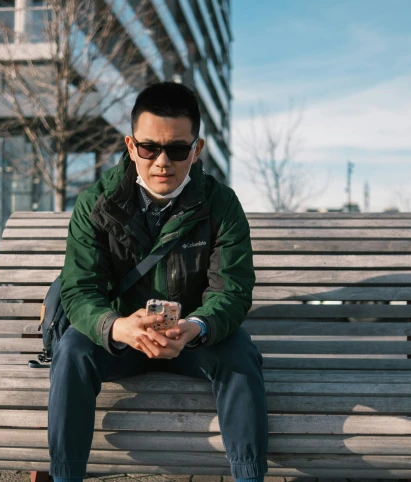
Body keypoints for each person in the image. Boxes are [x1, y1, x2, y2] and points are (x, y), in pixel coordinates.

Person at [49, 82, 268, 482]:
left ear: (196, 150)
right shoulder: (96, 204)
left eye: (178, 149)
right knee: (72, 351)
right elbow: (80, 290)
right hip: (120, 339)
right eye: (150, 148)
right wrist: (116, 326)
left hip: (190, 341)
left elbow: (232, 291)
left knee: (240, 354)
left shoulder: (221, 204)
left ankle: (249, 477)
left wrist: (197, 327)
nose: (162, 161)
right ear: (131, 146)